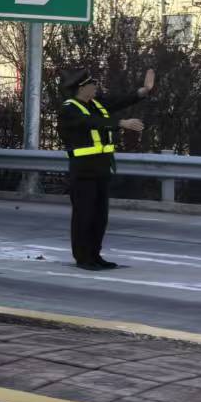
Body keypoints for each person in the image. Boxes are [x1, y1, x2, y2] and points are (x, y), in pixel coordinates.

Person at [57, 66, 155, 271]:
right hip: (83, 170)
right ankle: (83, 258)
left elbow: (119, 101)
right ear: (81, 88)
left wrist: (142, 91)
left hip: (101, 169)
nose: (96, 86)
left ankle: (95, 255)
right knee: (84, 216)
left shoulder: (96, 104)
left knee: (100, 217)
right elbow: (92, 122)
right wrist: (121, 123)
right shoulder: (69, 109)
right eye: (92, 84)